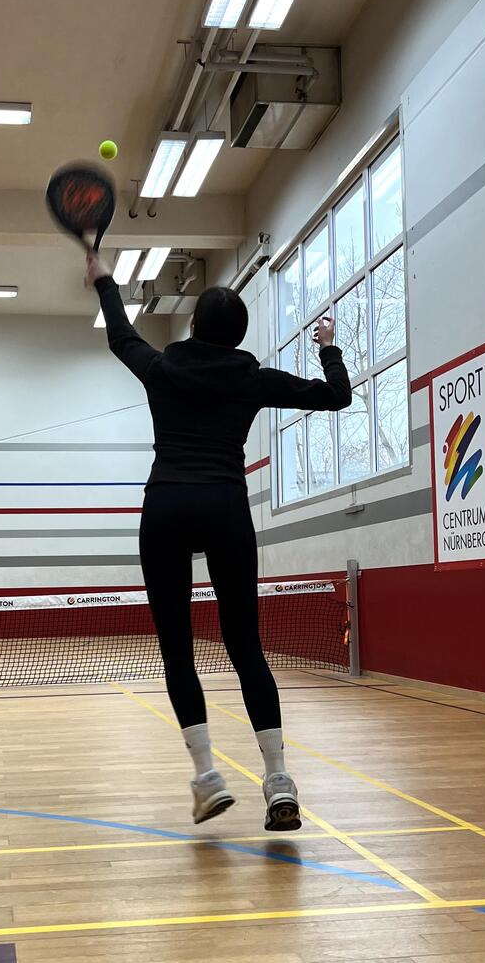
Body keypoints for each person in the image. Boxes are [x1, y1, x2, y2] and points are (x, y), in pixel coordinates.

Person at [86, 251, 352, 830]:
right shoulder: (250, 379)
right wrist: (328, 347)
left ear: (192, 327)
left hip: (167, 507)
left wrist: (105, 279)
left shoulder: (162, 369)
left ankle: (208, 778)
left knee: (177, 649)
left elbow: (120, 336)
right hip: (225, 507)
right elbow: (337, 396)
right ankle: (278, 781)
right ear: (239, 336)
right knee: (245, 646)